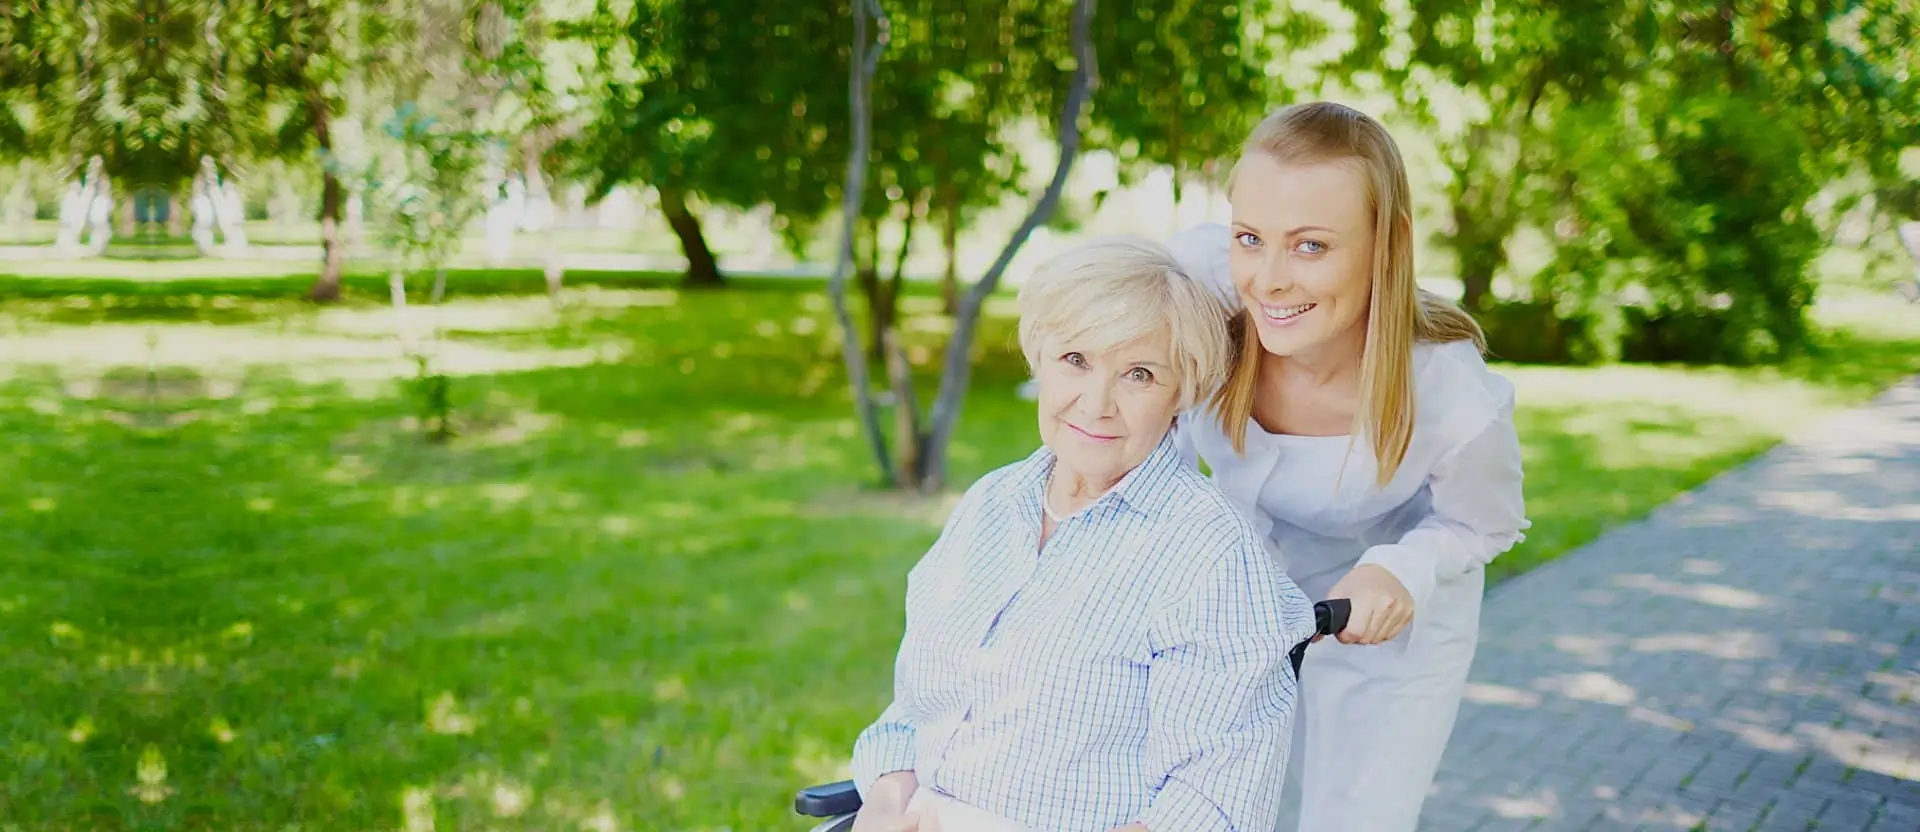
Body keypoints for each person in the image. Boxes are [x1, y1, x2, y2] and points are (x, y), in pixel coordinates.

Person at [847, 236, 1316, 832]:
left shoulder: (1208, 553)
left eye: (1139, 374)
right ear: (1038, 357)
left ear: (1183, 393)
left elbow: (1214, 796)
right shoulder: (993, 503)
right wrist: (888, 799)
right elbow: (917, 706)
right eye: (1076, 360)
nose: (1097, 404)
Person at [1165, 101, 1530, 831]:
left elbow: (1483, 524)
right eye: (1249, 237)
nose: (1266, 280)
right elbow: (1144, 423)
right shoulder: (1200, 289)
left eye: (1310, 247)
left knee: (1353, 815)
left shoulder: (1450, 391)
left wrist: (1404, 569)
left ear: (1385, 245)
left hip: (1386, 613)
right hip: (1235, 584)